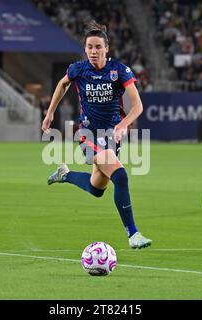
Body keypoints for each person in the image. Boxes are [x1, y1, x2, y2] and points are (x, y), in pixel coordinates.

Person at [41, 20, 152, 249]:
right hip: (88, 135)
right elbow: (63, 84)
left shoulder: (119, 71)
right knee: (120, 176)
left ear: (106, 48)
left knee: (96, 188)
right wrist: (50, 112)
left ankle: (65, 174)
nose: (93, 51)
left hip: (111, 136)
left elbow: (138, 105)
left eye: (98, 47)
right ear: (85, 49)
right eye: (89, 47)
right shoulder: (79, 69)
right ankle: (133, 234)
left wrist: (123, 124)